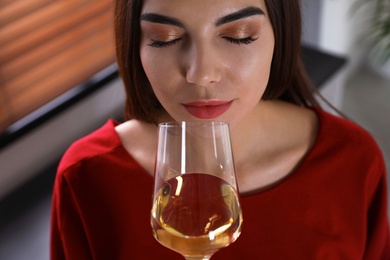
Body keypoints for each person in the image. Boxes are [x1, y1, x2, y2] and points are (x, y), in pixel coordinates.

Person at [50, 0, 390, 259]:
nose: (201, 74)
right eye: (164, 39)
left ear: (280, 36)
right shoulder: (87, 175)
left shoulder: (352, 161)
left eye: (238, 36)